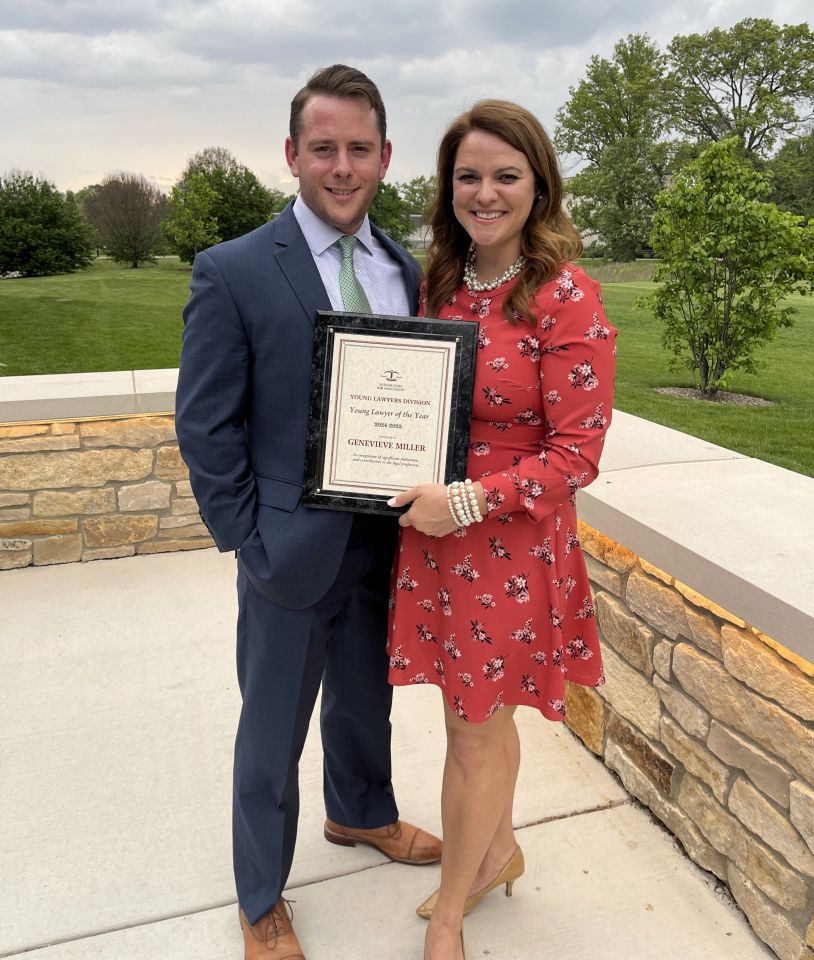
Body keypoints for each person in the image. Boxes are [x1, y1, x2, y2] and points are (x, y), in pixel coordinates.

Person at [175, 64, 441, 960]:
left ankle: (361, 812)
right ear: (292, 155)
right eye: (323, 148)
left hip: (386, 539)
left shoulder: (402, 267)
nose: (342, 167)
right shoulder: (235, 269)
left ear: (385, 157)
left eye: (359, 149)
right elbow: (206, 424)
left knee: (366, 698)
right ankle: (260, 897)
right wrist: (248, 541)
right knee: (271, 731)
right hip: (288, 549)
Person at [386, 100, 617, 960]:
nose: (485, 192)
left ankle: (451, 913)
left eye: (505, 176)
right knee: (478, 719)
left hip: (507, 542)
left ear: (539, 187)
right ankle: (497, 852)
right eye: (469, 176)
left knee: (473, 731)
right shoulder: (442, 286)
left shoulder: (565, 296)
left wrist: (467, 503)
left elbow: (577, 455)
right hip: (437, 540)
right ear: (448, 188)